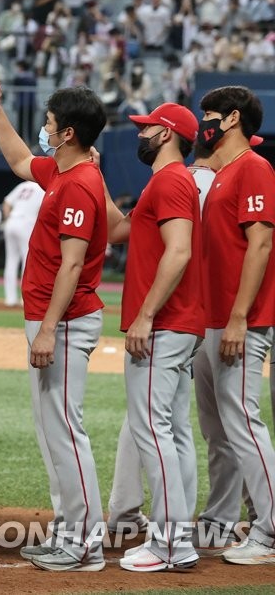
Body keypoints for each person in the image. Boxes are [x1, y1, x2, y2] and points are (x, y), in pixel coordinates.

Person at [0, 66, 109, 572]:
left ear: (69, 132)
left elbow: (73, 263)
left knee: (65, 429)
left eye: (51, 123)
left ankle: (85, 543)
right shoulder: (65, 172)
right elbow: (17, 157)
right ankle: (69, 530)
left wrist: (50, 326)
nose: (46, 130)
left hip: (67, 320)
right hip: (54, 317)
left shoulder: (79, 183)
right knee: (54, 429)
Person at [101, 103, 203, 572]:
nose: (139, 135)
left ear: (166, 135)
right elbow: (119, 230)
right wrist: (93, 175)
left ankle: (170, 544)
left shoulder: (172, 180)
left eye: (146, 130)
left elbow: (179, 252)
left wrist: (145, 315)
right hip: (179, 323)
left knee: (153, 430)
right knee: (174, 433)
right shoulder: (167, 182)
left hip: (165, 323)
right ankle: (177, 535)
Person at [191, 86, 275, 566]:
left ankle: (268, 529)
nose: (205, 122)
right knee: (219, 426)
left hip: (241, 319)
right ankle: (233, 515)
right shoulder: (224, 173)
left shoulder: (254, 169)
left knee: (243, 421)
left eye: (210, 115)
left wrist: (241, 318)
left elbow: (260, 245)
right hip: (214, 318)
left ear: (232, 119)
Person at [2, 180, 45, 307]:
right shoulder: (44, 186)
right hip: (27, 223)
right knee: (28, 261)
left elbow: (6, 203)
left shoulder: (23, 185)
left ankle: (10, 299)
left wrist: (9, 219)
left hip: (12, 221)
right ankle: (24, 299)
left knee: (11, 261)